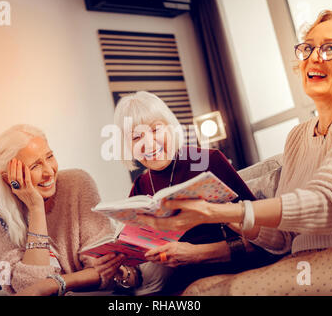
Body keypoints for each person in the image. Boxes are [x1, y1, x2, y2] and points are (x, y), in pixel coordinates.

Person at [135, 10, 332, 296]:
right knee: (196, 290)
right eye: (308, 48)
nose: (314, 57)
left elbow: (327, 203)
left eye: (329, 48)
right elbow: (282, 239)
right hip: (300, 259)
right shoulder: (298, 136)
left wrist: (217, 210)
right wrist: (220, 216)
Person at [113, 91, 281, 294]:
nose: (149, 143)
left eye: (156, 130)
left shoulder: (208, 161)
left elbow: (264, 238)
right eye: (137, 137)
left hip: (231, 272)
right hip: (179, 284)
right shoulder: (141, 186)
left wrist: (196, 253)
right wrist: (123, 272)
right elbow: (142, 260)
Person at [0, 124, 140, 295]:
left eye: (49, 156)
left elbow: (102, 266)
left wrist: (56, 284)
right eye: (35, 166)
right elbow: (29, 286)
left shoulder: (77, 183)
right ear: (8, 178)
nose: (49, 171)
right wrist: (36, 209)